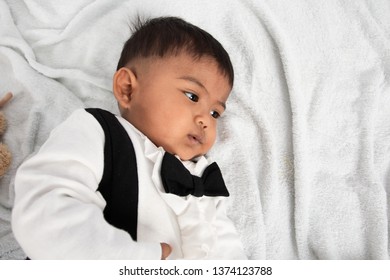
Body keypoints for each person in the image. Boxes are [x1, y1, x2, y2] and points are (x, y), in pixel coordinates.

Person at [12, 16, 246, 260]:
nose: (206, 120)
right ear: (127, 89)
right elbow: (45, 210)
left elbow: (228, 250)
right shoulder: (98, 131)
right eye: (192, 95)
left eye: (215, 112)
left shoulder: (202, 178)